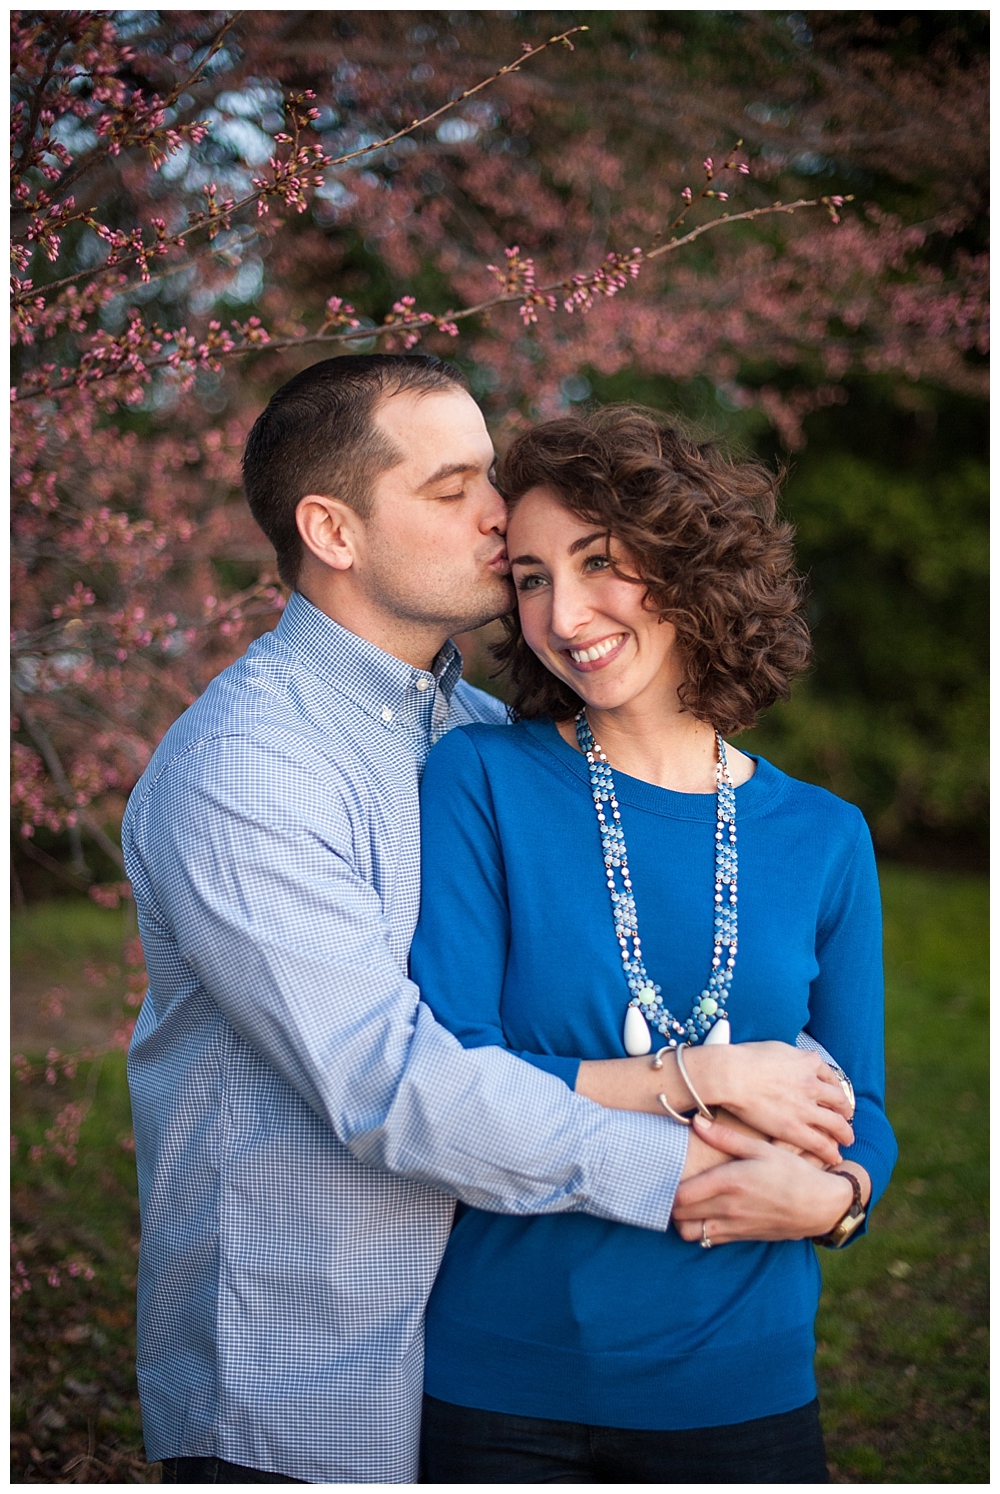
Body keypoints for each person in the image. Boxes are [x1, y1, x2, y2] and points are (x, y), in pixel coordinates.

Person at [123, 357, 854, 1484]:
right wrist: (702, 1148)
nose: (498, 511)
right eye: (453, 486)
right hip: (299, 1370)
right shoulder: (248, 769)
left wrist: (837, 1179)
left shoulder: (477, 737)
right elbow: (394, 1087)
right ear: (333, 529)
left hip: (453, 1352)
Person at [412, 405, 897, 1484]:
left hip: (744, 1377)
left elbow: (858, 1104)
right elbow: (453, 1076)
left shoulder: (823, 836)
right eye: (529, 577)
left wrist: (839, 1199)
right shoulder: (481, 784)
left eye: (598, 563)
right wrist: (698, 1076)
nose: (563, 612)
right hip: (506, 1379)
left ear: (683, 564)